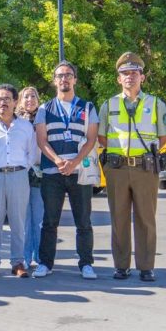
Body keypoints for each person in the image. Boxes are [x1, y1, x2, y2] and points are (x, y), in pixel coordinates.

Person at [98, 53, 166, 282]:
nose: (129, 77)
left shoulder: (155, 104)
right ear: (118, 79)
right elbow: (101, 138)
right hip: (117, 169)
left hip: (144, 168)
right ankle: (121, 266)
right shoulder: (108, 105)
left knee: (146, 219)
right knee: (118, 218)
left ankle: (146, 266)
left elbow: (164, 137)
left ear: (142, 77)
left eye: (134, 73)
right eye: (124, 73)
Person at [34, 61, 100, 280]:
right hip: (53, 173)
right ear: (54, 80)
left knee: (83, 220)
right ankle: (45, 263)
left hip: (79, 172)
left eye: (68, 75)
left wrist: (75, 162)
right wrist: (58, 160)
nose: (64, 79)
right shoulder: (45, 108)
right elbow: (41, 140)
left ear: (75, 79)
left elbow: (91, 140)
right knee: (49, 221)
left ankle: (86, 263)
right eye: (60, 75)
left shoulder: (87, 107)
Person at [0, 84, 37, 278]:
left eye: (7, 99)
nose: (3, 103)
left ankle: (18, 262)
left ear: (15, 102)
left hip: (18, 175)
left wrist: (20, 170)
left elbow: (32, 153)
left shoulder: (26, 126)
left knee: (18, 220)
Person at [16, 86, 43, 266]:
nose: (30, 99)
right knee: (24, 219)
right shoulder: (15, 121)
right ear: (20, 100)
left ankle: (40, 257)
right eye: (26, 96)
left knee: (39, 218)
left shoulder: (44, 118)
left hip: (41, 173)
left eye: (33, 96)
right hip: (22, 172)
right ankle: (24, 257)